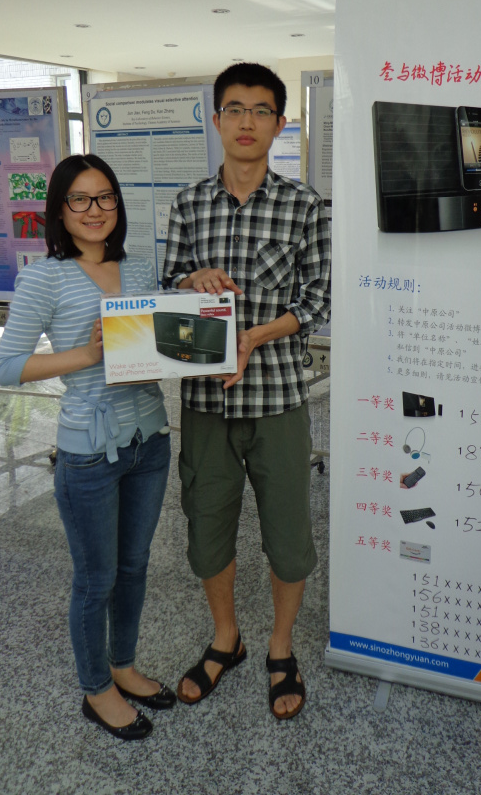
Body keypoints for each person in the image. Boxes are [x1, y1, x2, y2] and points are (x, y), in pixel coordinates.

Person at [162, 62, 331, 719]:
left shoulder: (305, 206)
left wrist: (255, 337)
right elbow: (167, 287)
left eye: (261, 111)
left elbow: (316, 300)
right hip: (205, 402)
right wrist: (190, 280)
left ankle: (280, 648)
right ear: (216, 119)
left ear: (279, 124)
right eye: (234, 109)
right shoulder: (188, 204)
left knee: (288, 537)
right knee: (207, 530)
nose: (246, 122)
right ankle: (225, 638)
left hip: (277, 399)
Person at [0, 153, 174, 741]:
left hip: (151, 442)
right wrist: (89, 355)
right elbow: (8, 367)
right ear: (60, 210)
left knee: (135, 567)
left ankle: (123, 665)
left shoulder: (140, 267)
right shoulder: (44, 277)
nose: (94, 210)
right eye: (80, 199)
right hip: (89, 451)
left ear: (117, 204)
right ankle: (97, 689)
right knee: (97, 578)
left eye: (105, 197)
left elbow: (158, 345)